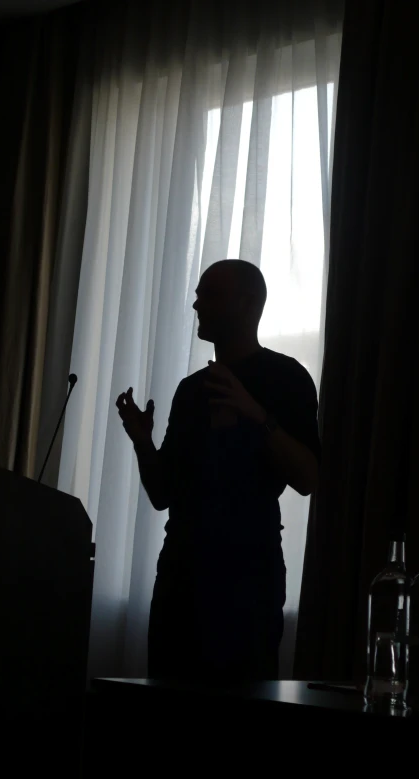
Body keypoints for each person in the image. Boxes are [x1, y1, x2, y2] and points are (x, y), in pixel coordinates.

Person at [116, 259, 321, 682]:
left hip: (248, 579)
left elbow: (308, 479)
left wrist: (255, 414)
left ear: (248, 305)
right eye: (197, 293)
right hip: (179, 578)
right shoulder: (191, 390)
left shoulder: (287, 378)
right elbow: (162, 494)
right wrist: (141, 441)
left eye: (210, 294)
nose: (196, 304)